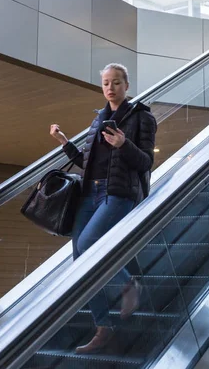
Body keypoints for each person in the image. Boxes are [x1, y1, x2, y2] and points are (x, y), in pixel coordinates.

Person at [50, 62, 157, 354]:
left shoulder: (142, 117)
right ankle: (103, 327)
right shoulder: (99, 119)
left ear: (127, 86)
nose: (110, 87)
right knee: (79, 258)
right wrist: (64, 143)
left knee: (88, 244)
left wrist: (124, 144)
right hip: (89, 192)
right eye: (106, 83)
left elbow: (147, 162)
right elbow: (88, 162)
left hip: (118, 193)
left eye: (117, 82)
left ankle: (128, 285)